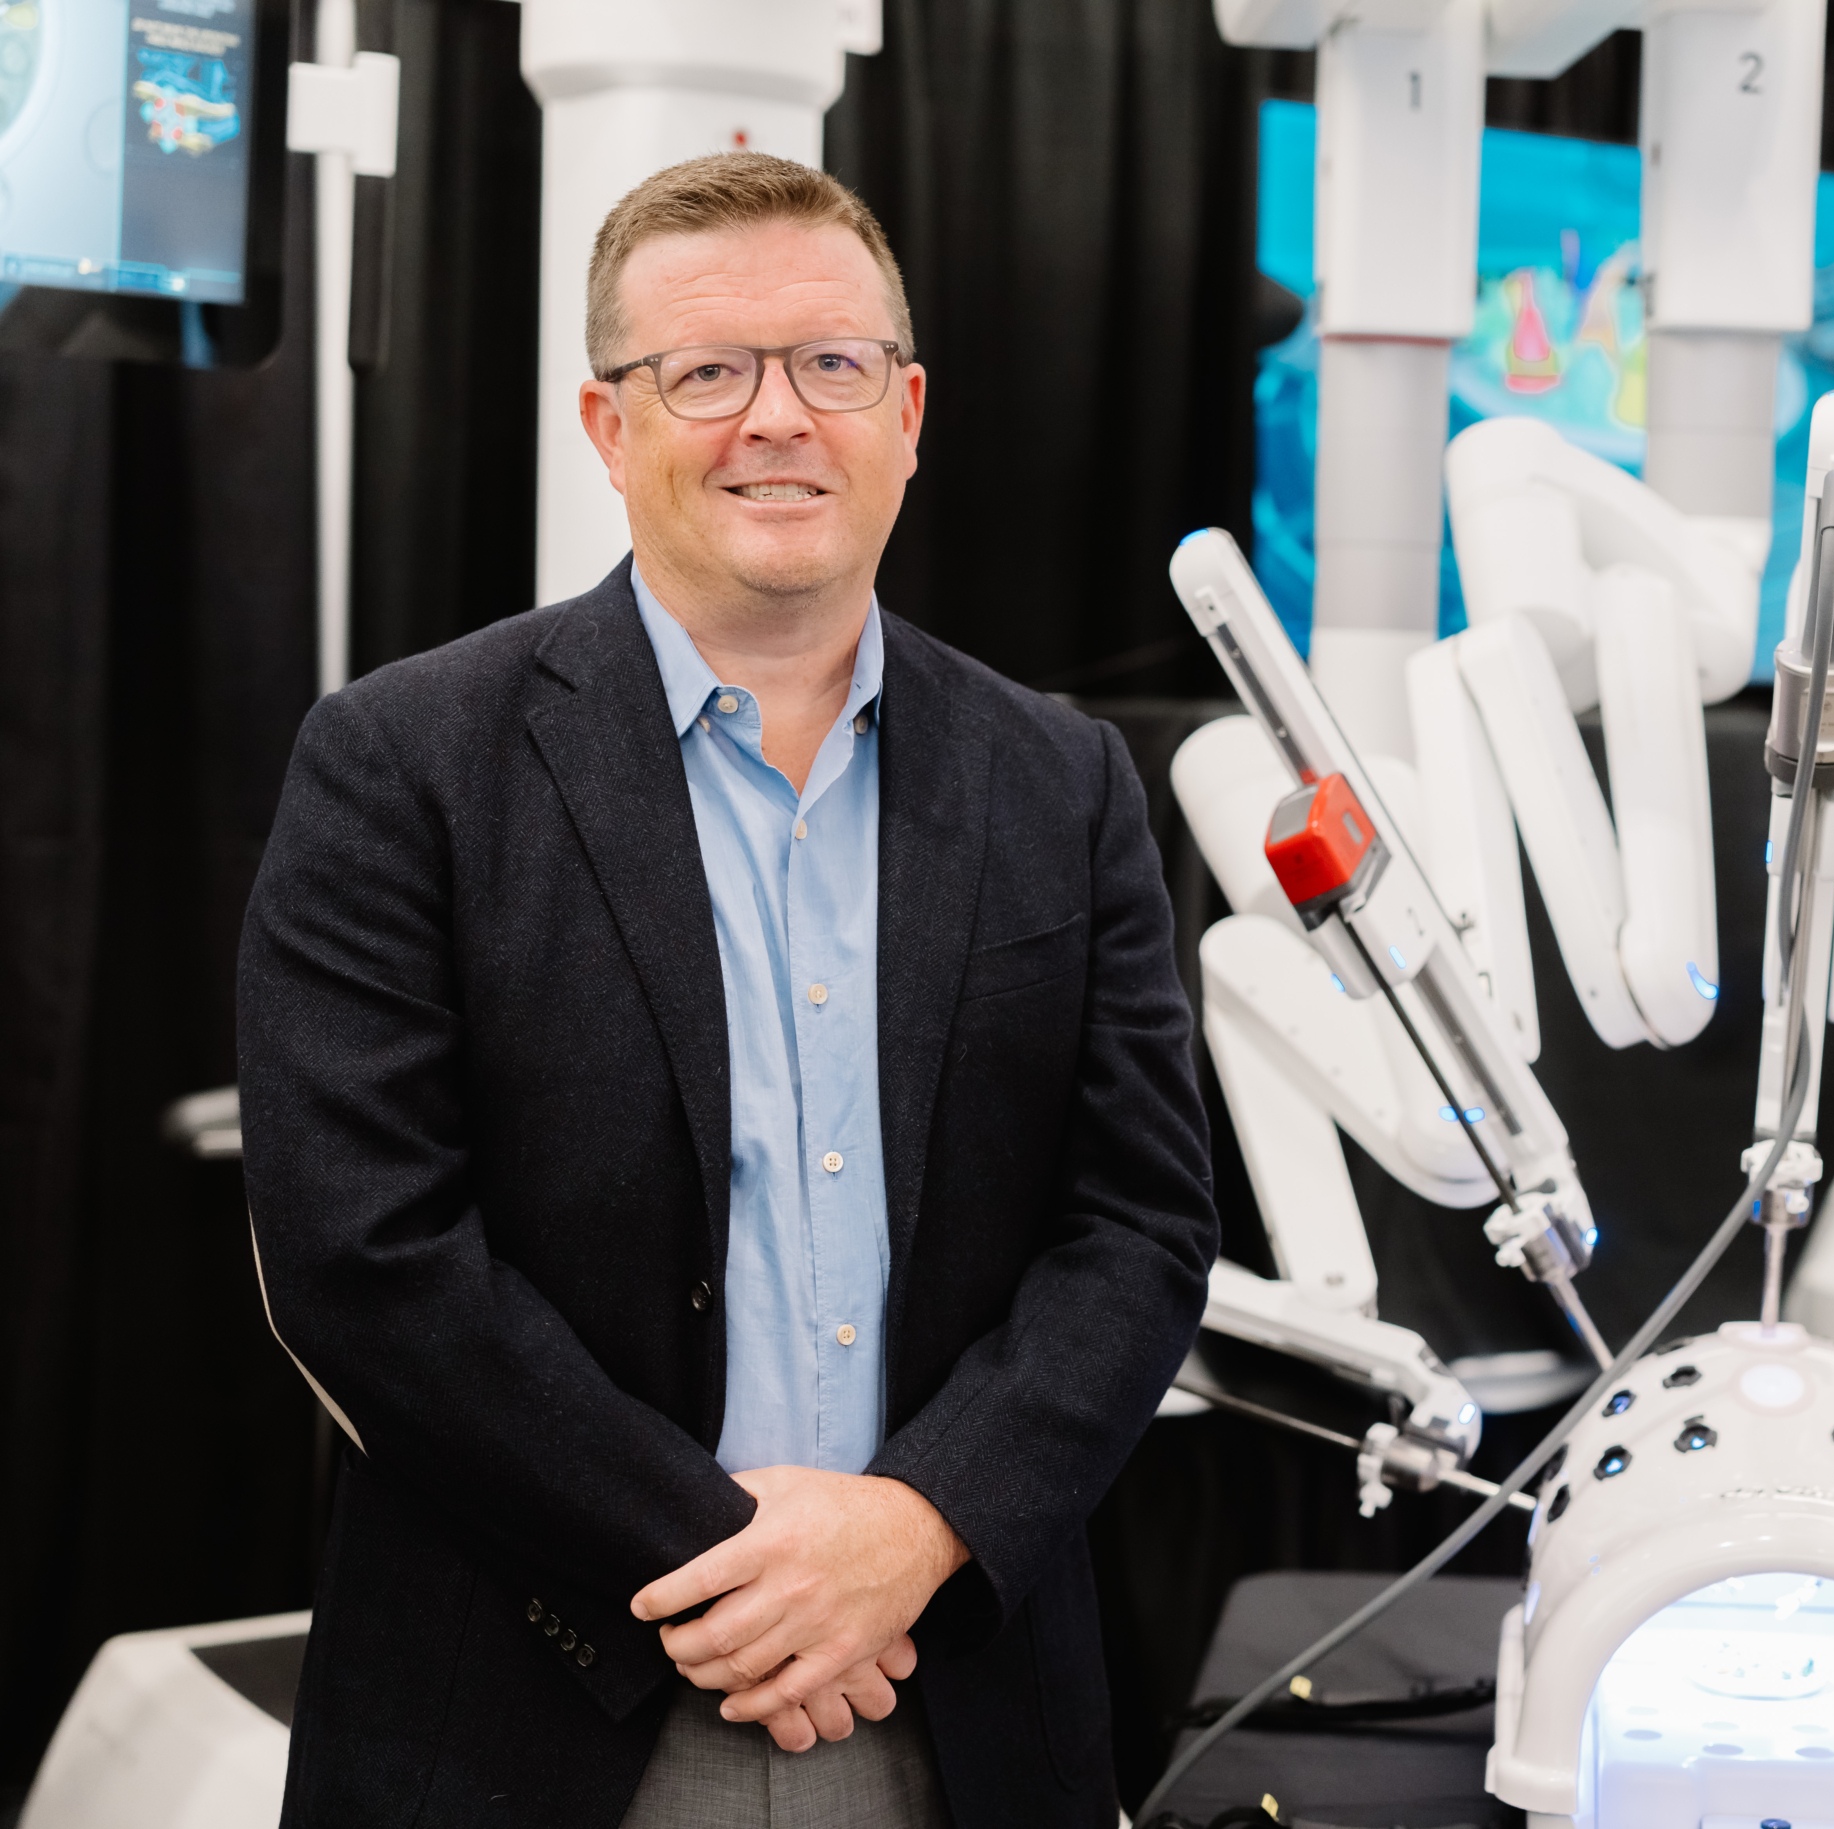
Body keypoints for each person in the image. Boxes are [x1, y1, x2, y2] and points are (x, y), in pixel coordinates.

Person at [237, 151, 1218, 1829]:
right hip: (540, 1703)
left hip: (955, 1696)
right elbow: (365, 1257)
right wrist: (742, 1570)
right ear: (610, 428)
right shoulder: (401, 763)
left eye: (831, 364)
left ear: (908, 410)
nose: (779, 417)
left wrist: (914, 1532)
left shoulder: (1063, 783)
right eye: (707, 371)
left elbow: (1137, 1227)